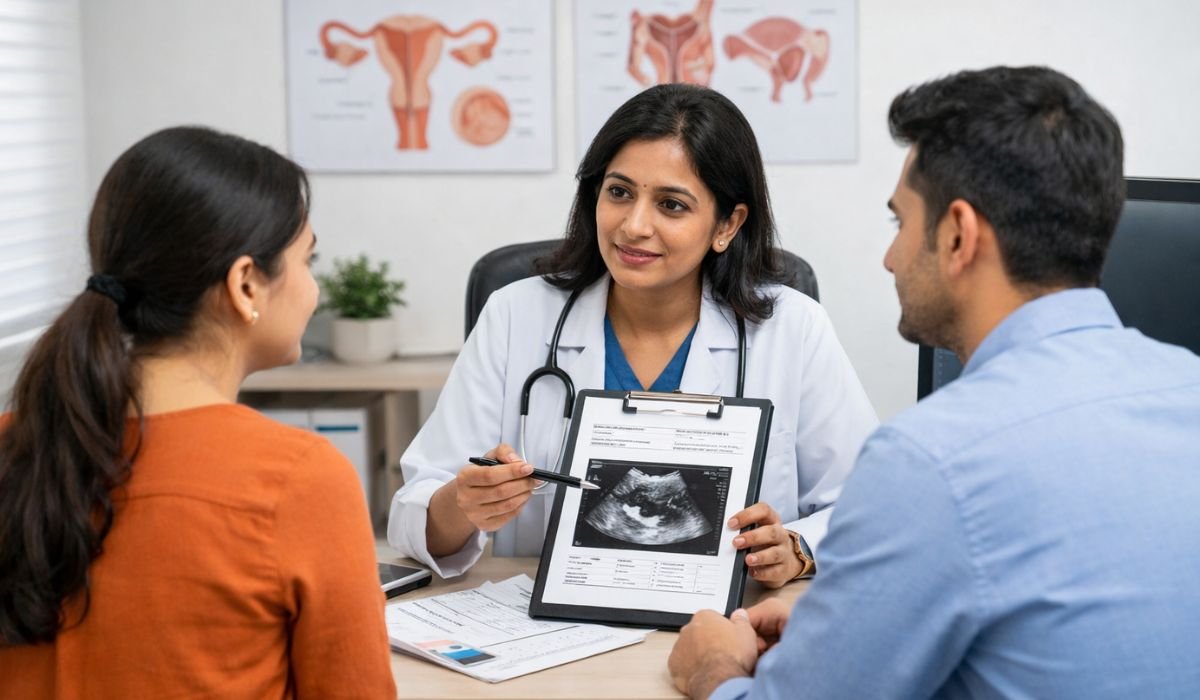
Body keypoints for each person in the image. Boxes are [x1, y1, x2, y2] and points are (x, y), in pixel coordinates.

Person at [667, 65, 1200, 698]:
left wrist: (716, 669)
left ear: (957, 236)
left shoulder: (932, 461)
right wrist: (837, 626)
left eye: (901, 223)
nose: (891, 258)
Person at [388, 83, 877, 589]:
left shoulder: (793, 330)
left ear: (727, 224)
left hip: (727, 622)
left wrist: (796, 549)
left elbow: (869, 507)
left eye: (671, 205)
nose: (634, 225)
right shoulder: (515, 315)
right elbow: (412, 517)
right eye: (619, 192)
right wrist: (463, 505)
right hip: (546, 633)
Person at [0, 127, 396, 698]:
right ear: (245, 285)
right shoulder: (298, 479)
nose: (312, 290)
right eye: (307, 261)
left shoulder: (15, 444)